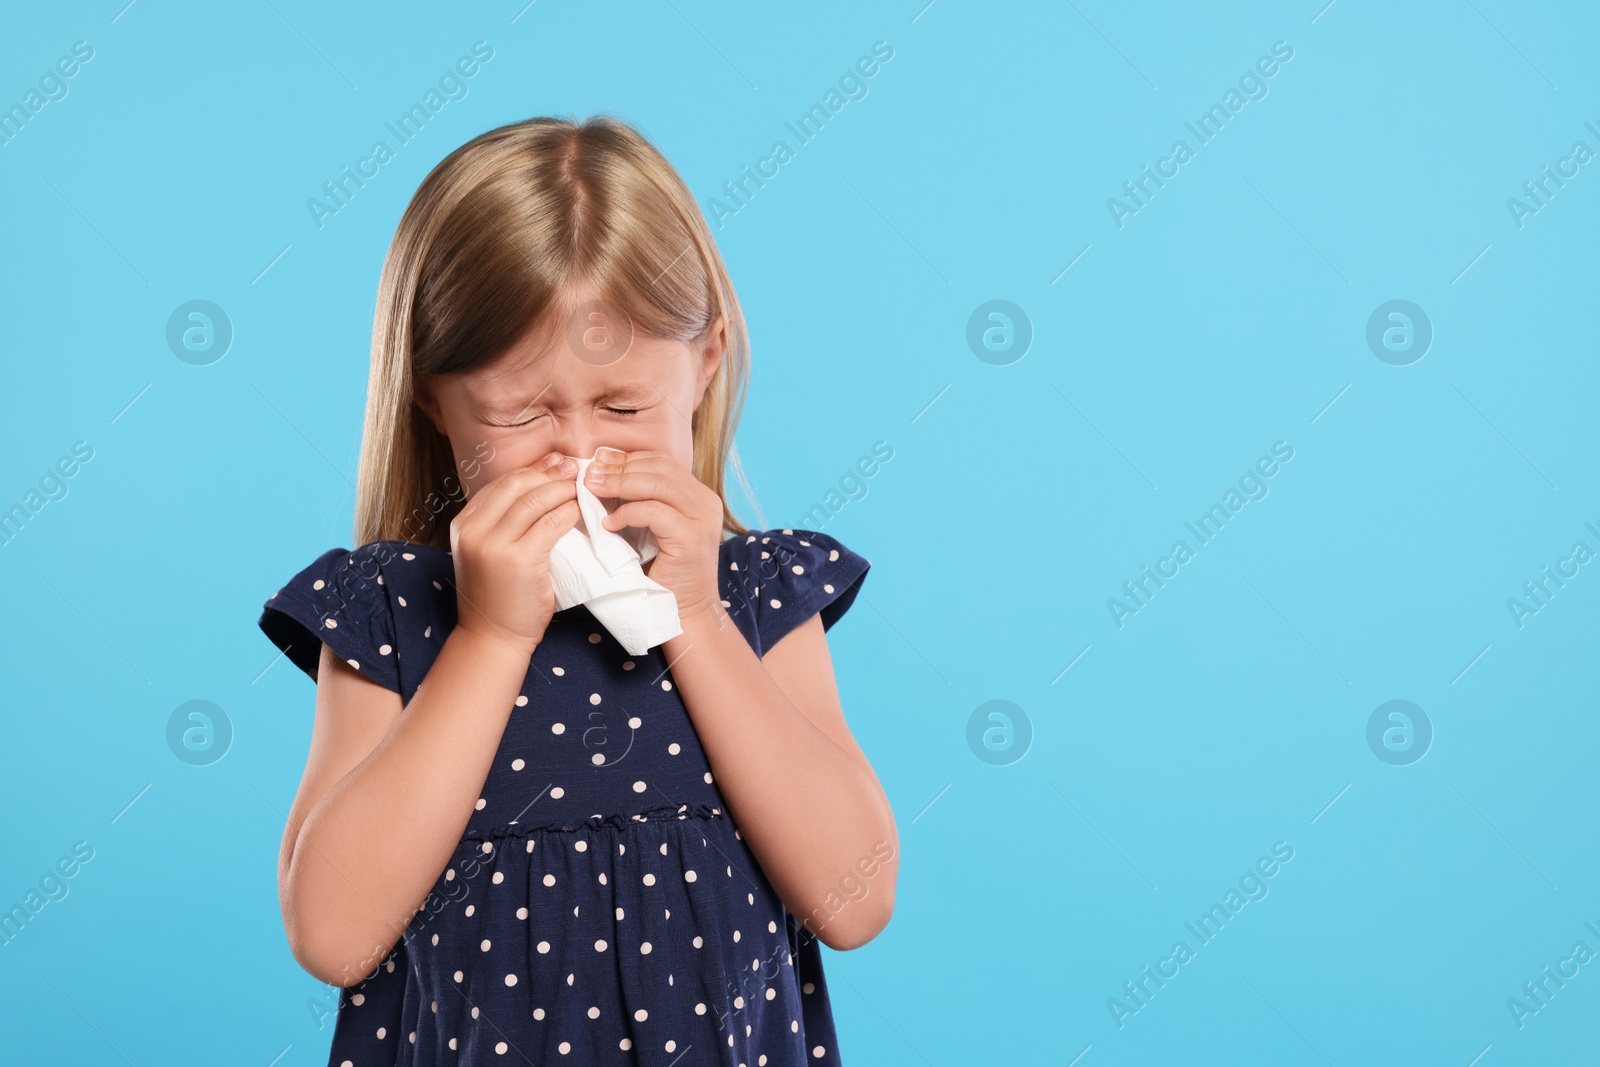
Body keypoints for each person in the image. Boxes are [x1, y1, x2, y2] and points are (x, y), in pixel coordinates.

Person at [256, 115, 897, 1066]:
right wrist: (486, 636)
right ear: (434, 401)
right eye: (522, 413)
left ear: (705, 365)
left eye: (624, 406)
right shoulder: (388, 610)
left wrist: (696, 615)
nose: (579, 451)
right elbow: (334, 933)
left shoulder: (756, 596)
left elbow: (856, 900)